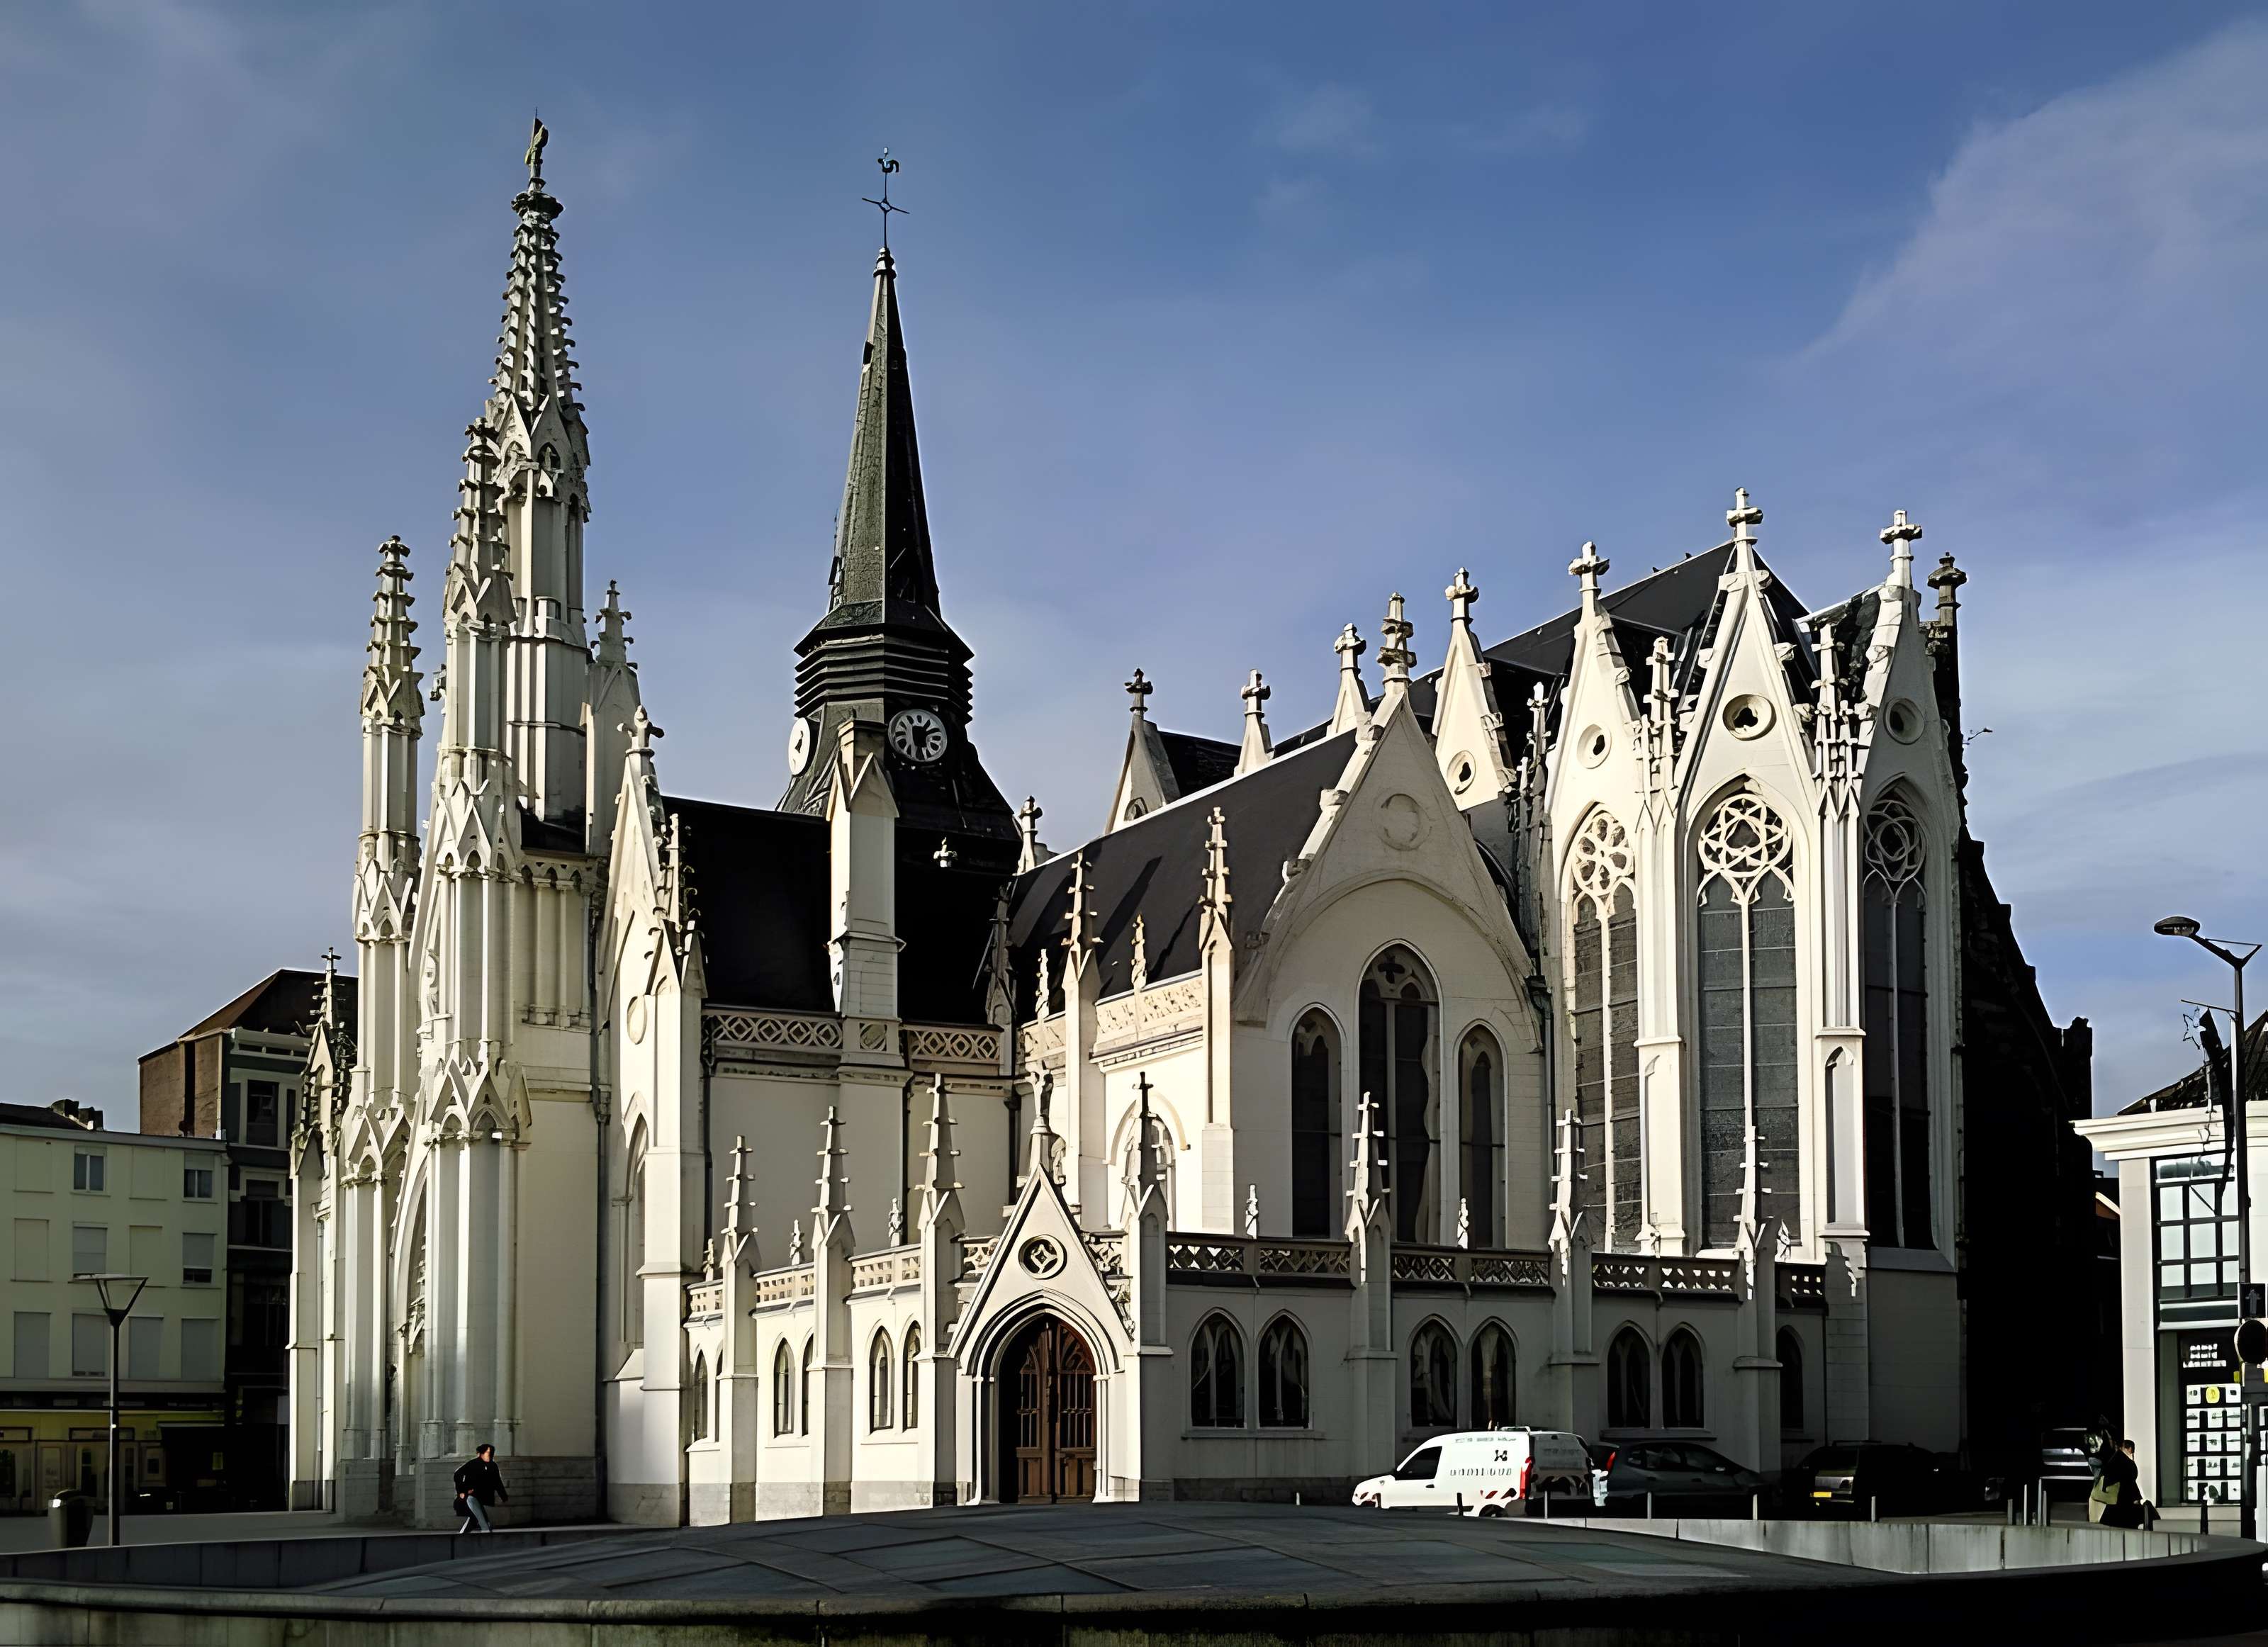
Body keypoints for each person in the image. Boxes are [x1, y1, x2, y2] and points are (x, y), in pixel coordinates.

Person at [453, 1444, 507, 1534]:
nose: (489, 1455)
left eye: (491, 1453)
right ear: (481, 1454)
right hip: (471, 1497)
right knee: (482, 1521)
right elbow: (457, 1474)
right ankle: (485, 1532)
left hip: (482, 1498)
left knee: (474, 1519)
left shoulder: (493, 1466)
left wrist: (504, 1497)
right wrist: (461, 1491)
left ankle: (462, 1536)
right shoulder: (473, 1463)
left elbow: (497, 1482)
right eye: (487, 1453)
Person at [2097, 1438, 2145, 1529]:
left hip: (2116, 1498)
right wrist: (2137, 1497)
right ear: (2130, 1449)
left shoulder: (2116, 1459)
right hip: (2123, 1498)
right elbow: (2131, 1479)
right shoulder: (2126, 1462)